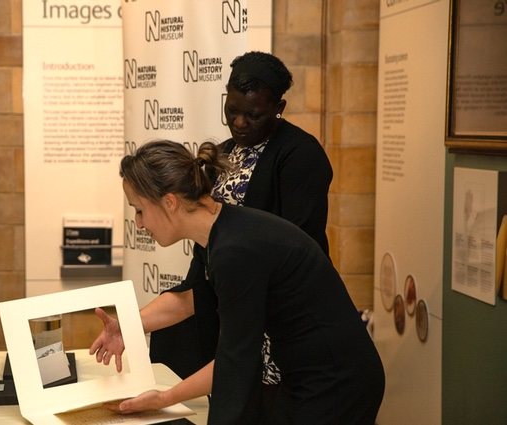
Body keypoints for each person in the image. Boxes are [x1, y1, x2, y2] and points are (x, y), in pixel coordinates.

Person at [95, 140, 384, 424]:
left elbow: (236, 361)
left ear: (169, 202)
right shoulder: (220, 232)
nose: (139, 223)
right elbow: (194, 298)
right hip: (309, 373)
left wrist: (164, 399)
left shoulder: (234, 251)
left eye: (140, 210)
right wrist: (127, 325)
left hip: (337, 382)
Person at [147, 50, 333, 407]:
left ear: (279, 107)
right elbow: (206, 258)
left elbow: (296, 245)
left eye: (254, 114)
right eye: (232, 110)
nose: (240, 122)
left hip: (282, 320)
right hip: (239, 311)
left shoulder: (300, 155)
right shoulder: (222, 155)